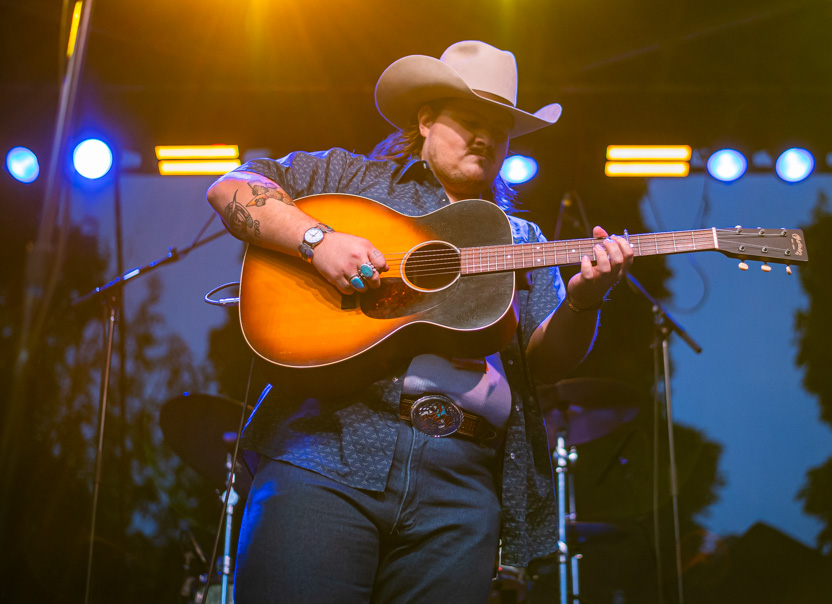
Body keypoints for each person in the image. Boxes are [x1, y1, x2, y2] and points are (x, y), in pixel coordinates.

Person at [206, 40, 633, 603]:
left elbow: (546, 360)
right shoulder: (349, 178)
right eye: (470, 119)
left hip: (462, 487)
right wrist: (318, 241)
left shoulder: (521, 240)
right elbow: (230, 188)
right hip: (328, 452)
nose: (485, 137)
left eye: (500, 129)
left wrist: (585, 301)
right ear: (426, 118)